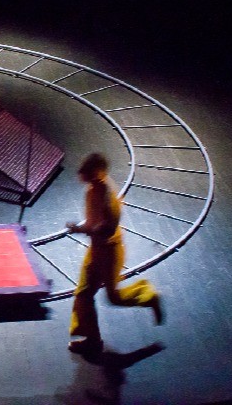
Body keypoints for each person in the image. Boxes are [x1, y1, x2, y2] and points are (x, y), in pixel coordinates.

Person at [66, 153, 164, 357]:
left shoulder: (108, 198)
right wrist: (83, 228)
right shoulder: (92, 189)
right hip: (96, 249)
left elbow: (106, 230)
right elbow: (93, 222)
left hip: (109, 253)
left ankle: (148, 295)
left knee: (114, 297)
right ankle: (93, 341)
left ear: (97, 173)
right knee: (83, 294)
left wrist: (80, 229)